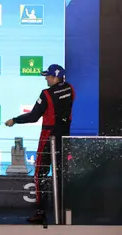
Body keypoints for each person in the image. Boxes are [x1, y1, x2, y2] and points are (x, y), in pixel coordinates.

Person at [5, 64, 75, 224]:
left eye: (48, 76)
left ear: (56, 77)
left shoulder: (46, 94)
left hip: (48, 138)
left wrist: (15, 120)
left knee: (40, 175)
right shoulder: (70, 89)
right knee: (62, 175)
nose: (46, 78)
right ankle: (65, 211)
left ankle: (41, 212)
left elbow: (34, 116)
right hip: (64, 139)